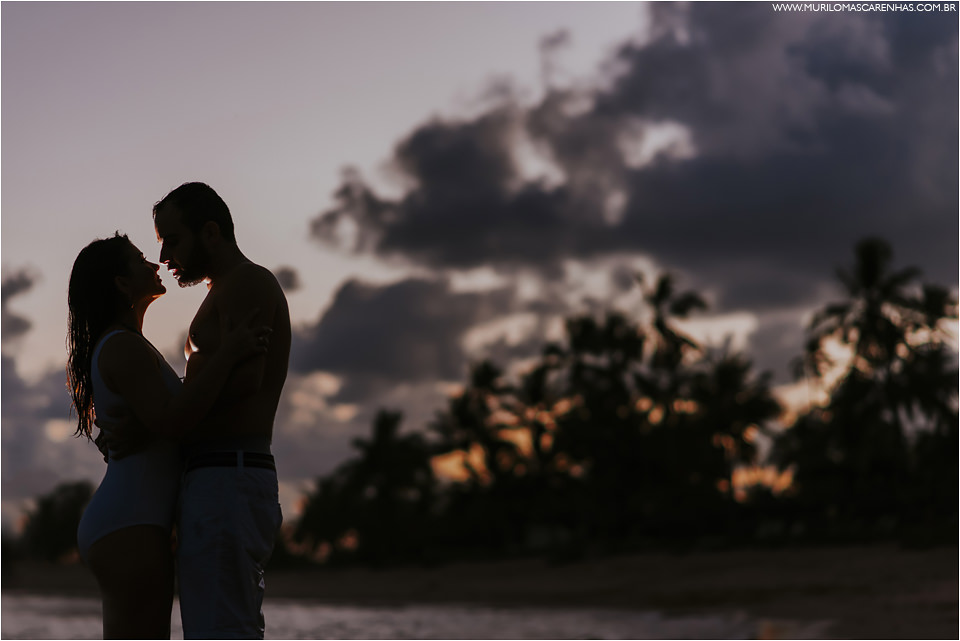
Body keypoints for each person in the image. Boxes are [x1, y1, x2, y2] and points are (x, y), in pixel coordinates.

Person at [69, 233, 269, 639]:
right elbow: (174, 420)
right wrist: (229, 353)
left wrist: (147, 428)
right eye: (141, 259)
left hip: (131, 519)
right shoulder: (123, 347)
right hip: (131, 522)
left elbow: (162, 418)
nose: (154, 264)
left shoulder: (128, 345)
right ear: (121, 283)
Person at [151, 182, 291, 639]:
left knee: (222, 628)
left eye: (173, 240)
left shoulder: (248, 283)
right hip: (218, 477)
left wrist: (169, 419)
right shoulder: (222, 291)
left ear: (210, 232)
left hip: (229, 475)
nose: (164, 256)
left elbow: (244, 382)